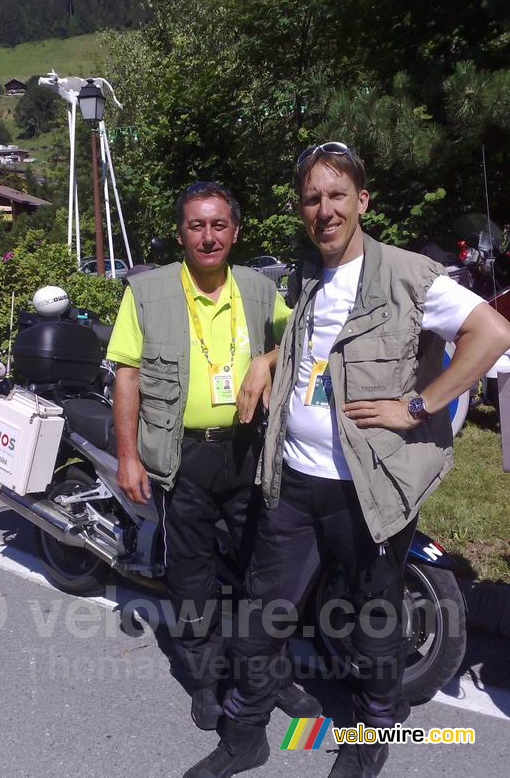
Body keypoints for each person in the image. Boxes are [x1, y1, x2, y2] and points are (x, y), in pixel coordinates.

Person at [184, 144, 510, 778]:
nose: (324, 209)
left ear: (362, 202)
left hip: (368, 490)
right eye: (312, 198)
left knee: (373, 624)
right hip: (297, 479)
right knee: (262, 614)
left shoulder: (409, 275)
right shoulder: (308, 276)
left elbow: (492, 335)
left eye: (337, 196)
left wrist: (418, 406)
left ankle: (371, 733)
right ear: (303, 210)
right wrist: (266, 360)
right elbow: (313, 347)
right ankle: (245, 734)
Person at [107, 181, 319, 732]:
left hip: (248, 450)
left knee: (266, 573)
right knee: (192, 577)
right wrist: (128, 456)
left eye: (219, 225)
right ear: (181, 233)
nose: (208, 236)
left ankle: (269, 677)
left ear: (235, 231)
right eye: (197, 225)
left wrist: (265, 360)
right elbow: (126, 374)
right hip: (183, 457)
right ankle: (203, 682)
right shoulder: (147, 291)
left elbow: (301, 336)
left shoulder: (256, 287)